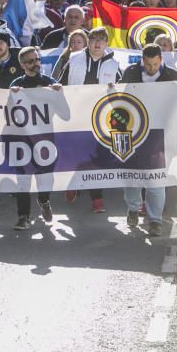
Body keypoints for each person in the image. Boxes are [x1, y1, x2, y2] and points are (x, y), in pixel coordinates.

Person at [119, 44, 177, 236]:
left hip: (160, 134)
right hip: (134, 131)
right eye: (147, 64)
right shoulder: (130, 72)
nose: (151, 68)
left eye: (155, 64)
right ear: (142, 60)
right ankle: (133, 208)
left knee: (156, 178)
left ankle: (155, 220)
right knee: (132, 176)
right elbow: (121, 96)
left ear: (161, 60)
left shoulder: (172, 75)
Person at [58, 27, 120, 213]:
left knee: (96, 157)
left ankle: (97, 198)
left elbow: (123, 89)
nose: (97, 43)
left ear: (106, 43)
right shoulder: (74, 59)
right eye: (94, 39)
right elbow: (61, 82)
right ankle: (72, 185)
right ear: (88, 41)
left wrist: (114, 89)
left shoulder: (114, 64)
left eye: (101, 40)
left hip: (99, 118)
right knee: (74, 154)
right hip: (76, 114)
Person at [8, 47, 61, 229]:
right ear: (22, 65)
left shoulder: (49, 81)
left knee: (45, 179)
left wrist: (58, 93)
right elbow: (7, 112)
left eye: (37, 59)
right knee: (22, 179)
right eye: (30, 61)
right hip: (22, 140)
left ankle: (44, 200)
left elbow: (65, 112)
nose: (35, 64)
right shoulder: (16, 83)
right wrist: (11, 95)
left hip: (46, 139)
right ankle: (23, 216)